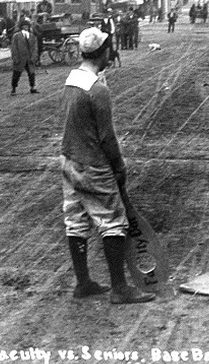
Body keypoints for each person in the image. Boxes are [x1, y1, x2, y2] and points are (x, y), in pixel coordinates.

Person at [60, 27, 155, 303]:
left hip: (68, 160)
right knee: (113, 221)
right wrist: (119, 164)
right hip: (93, 164)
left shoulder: (71, 80)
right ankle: (120, 289)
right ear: (102, 52)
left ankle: (83, 283)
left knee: (75, 221)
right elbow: (106, 136)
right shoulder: (97, 90)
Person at [10, 19, 39, 95]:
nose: (26, 27)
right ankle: (13, 89)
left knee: (31, 74)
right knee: (16, 74)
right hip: (20, 58)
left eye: (27, 26)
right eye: (24, 26)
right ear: (21, 27)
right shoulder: (16, 36)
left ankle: (32, 88)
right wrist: (15, 58)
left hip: (29, 58)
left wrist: (33, 57)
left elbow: (35, 48)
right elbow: (14, 48)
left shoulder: (32, 36)